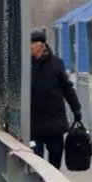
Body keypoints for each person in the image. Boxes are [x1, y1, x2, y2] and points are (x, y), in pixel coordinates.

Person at [28, 28, 81, 169]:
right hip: (34, 120)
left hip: (54, 119)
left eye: (33, 43)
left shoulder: (56, 63)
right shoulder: (26, 65)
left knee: (56, 154)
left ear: (42, 45)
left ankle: (50, 181)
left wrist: (76, 109)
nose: (30, 46)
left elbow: (67, 88)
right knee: (35, 155)